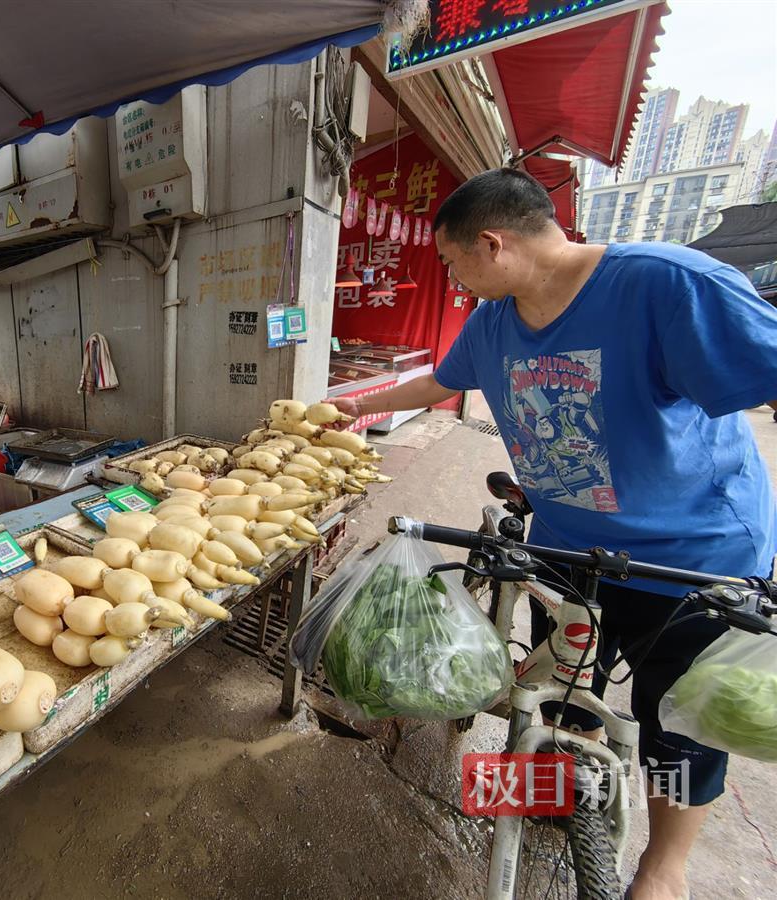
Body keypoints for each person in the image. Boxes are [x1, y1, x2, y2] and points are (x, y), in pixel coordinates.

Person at [331, 168, 777, 900]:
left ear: (491, 244)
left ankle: (665, 865)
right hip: (567, 548)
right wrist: (353, 408)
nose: (452, 279)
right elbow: (439, 382)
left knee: (678, 726)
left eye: (451, 262)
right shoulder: (493, 323)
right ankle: (566, 785)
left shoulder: (668, 285)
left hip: (690, 559)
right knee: (564, 684)